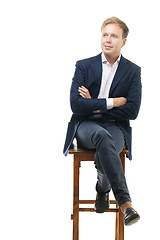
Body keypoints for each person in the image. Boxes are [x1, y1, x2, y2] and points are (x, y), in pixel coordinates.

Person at [63, 17, 141, 226]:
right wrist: (113, 103)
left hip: (116, 128)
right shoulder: (84, 66)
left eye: (114, 36)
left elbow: (133, 110)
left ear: (123, 41)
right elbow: (76, 105)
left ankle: (102, 189)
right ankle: (126, 204)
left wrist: (94, 106)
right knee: (100, 136)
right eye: (105, 34)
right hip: (86, 127)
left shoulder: (133, 71)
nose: (108, 39)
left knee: (106, 141)